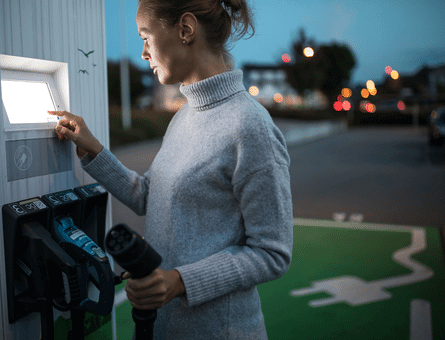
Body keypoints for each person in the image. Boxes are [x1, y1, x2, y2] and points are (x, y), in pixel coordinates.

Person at [49, 0, 293, 338]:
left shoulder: (250, 127)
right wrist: (94, 150)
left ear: (185, 29)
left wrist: (179, 282)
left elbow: (272, 252)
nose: (144, 53)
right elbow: (150, 195)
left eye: (146, 37)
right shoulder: (183, 116)